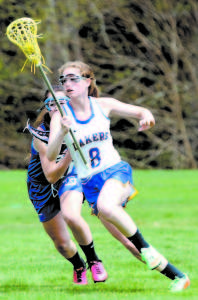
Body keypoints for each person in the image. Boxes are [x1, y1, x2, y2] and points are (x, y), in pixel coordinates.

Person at [46, 61, 190, 292]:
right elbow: (52, 154)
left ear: (88, 81)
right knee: (127, 241)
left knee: (106, 206)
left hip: (114, 171)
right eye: (64, 80)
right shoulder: (60, 117)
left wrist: (146, 117)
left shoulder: (103, 105)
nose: (68, 84)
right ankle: (179, 277)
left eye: (74, 78)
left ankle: (146, 248)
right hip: (89, 184)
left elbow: (141, 111)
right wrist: (61, 132)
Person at [26, 85, 108, 285]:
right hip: (43, 187)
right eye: (51, 103)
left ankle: (93, 260)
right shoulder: (41, 135)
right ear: (46, 107)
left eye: (62, 102)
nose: (56, 107)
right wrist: (71, 152)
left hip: (70, 179)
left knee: (72, 215)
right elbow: (52, 176)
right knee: (62, 244)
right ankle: (78, 265)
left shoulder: (83, 125)